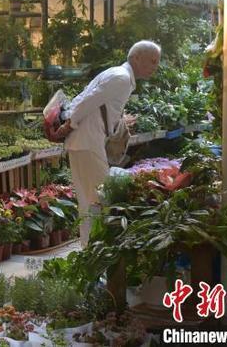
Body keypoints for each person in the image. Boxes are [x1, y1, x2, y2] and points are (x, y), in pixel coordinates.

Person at [57, 40, 161, 247]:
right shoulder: (121, 78)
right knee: (101, 198)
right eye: (152, 61)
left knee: (91, 200)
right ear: (136, 58)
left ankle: (90, 250)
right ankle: (95, 251)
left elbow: (86, 98)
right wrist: (70, 123)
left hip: (85, 141)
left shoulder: (118, 75)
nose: (155, 67)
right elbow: (87, 101)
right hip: (87, 141)